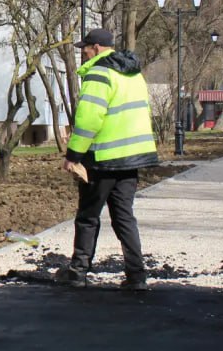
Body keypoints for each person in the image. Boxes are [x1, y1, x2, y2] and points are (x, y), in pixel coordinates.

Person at [57, 28, 159, 291]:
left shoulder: (99, 73)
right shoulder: (133, 74)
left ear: (98, 48)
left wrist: (73, 155)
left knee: (88, 216)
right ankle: (136, 276)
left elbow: (90, 119)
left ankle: (78, 272)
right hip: (132, 157)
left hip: (102, 158)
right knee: (124, 217)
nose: (83, 52)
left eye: (86, 48)